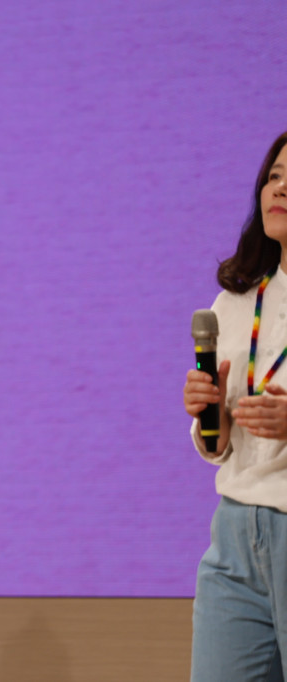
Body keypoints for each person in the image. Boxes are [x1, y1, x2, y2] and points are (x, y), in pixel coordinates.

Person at [184, 131, 287, 682]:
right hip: (235, 534)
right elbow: (218, 447)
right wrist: (213, 418)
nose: (280, 189)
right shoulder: (235, 301)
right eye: (274, 176)